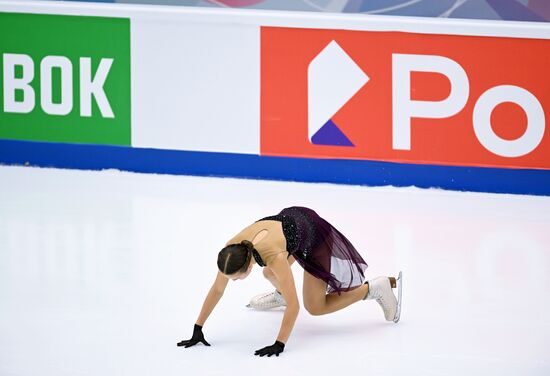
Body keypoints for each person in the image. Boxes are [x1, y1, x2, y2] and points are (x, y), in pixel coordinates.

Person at [177, 206, 402, 357]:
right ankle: (280, 294)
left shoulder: (274, 258)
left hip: (314, 236)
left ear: (247, 267)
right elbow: (217, 289)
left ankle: (373, 289)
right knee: (268, 275)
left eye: (235, 278)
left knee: (314, 306)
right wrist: (198, 328)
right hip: (293, 221)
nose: (231, 282)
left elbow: (294, 307)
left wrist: (280, 343)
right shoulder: (231, 249)